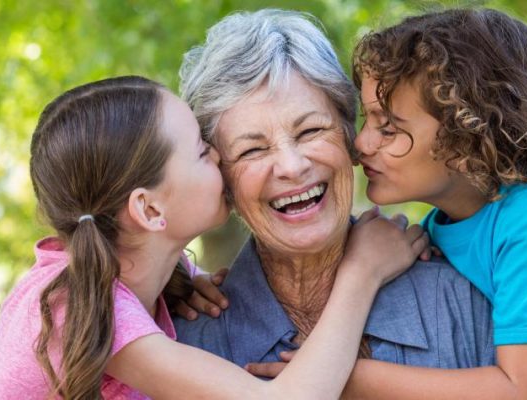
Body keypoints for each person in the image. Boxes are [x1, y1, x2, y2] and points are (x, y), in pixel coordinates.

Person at [0, 76, 428, 399]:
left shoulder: (133, 276)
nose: (224, 163)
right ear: (148, 209)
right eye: (204, 151)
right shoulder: (81, 303)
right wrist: (362, 273)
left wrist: (186, 277)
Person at [173, 8, 495, 385]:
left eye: (310, 131)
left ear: (349, 138)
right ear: (221, 180)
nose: (292, 167)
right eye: (252, 150)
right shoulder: (184, 341)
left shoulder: (465, 298)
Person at [351, 8, 527, 399]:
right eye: (365, 122)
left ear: (466, 136)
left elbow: (524, 393)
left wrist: (348, 377)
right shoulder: (446, 222)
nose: (360, 144)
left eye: (387, 127)